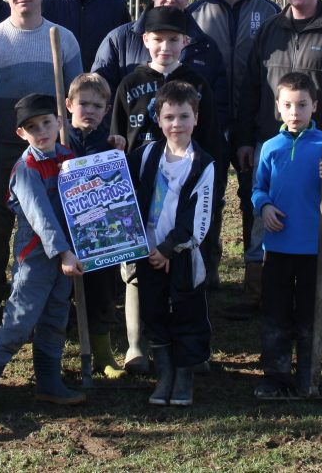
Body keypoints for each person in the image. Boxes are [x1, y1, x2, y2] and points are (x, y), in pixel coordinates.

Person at [0, 0, 83, 320]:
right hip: (5, 147)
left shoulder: (63, 38)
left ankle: (54, 288)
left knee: (54, 218)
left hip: (52, 149)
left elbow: (74, 98)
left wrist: (68, 139)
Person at [232, 0, 322, 318]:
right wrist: (248, 139)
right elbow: (251, 85)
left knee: (314, 216)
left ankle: (312, 297)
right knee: (261, 214)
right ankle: (258, 294)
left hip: (318, 144)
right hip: (272, 141)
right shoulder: (269, 29)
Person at [0, 94, 86, 418]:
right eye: (33, 127)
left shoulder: (68, 157)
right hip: (37, 256)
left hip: (68, 257)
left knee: (55, 318)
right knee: (20, 320)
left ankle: (48, 383)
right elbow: (41, 217)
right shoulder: (25, 169)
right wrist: (64, 252)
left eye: (47, 123)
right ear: (22, 134)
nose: (42, 131)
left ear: (60, 121)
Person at [249, 72, 322, 398]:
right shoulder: (270, 148)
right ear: (278, 107)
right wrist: (263, 207)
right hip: (277, 247)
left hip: (313, 247)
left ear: (315, 107)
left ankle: (309, 373)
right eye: (288, 105)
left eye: (302, 105)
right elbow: (258, 189)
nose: (295, 112)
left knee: (309, 313)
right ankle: (276, 375)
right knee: (276, 312)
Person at [188, 0, 279, 299]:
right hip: (207, 125)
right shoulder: (196, 12)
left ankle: (254, 277)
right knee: (208, 198)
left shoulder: (268, 11)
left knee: (252, 198)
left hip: (254, 124)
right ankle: (208, 269)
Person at [129, 81, 215, 406]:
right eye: (169, 117)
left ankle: (184, 377)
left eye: (183, 116)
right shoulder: (146, 155)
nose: (176, 124)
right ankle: (163, 375)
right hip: (147, 252)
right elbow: (126, 194)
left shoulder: (203, 164)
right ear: (159, 119)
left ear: (196, 118)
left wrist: (169, 248)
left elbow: (200, 217)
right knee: (153, 312)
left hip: (181, 257)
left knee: (186, 314)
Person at [91, 0, 228, 131]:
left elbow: (218, 106)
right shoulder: (119, 39)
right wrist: (117, 136)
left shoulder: (205, 47)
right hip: (134, 146)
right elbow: (99, 94)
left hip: (188, 148)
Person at [63, 72, 126, 379]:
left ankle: (102, 354)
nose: (89, 110)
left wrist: (118, 151)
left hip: (100, 236)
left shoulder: (110, 147)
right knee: (58, 296)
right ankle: (52, 353)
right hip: (63, 235)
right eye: (83, 103)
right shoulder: (59, 142)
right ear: (68, 105)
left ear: (106, 109)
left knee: (101, 293)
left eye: (96, 106)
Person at [110, 7, 222, 162]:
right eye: (158, 39)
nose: (165, 47)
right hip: (139, 177)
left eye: (173, 39)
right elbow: (117, 137)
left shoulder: (197, 84)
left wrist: (215, 179)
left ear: (185, 41)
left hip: (188, 175)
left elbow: (212, 137)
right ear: (146, 40)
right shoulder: (129, 84)